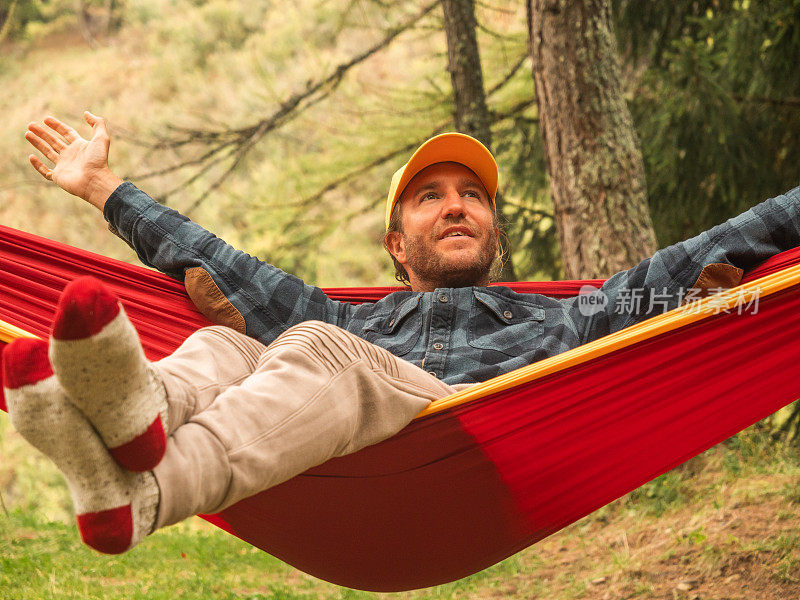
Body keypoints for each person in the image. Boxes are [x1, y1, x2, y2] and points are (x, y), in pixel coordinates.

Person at [4, 112, 799, 555]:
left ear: (492, 234)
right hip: (345, 448)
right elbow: (220, 264)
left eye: (472, 197)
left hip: (466, 461)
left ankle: (151, 490)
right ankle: (126, 431)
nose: (456, 205)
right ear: (396, 245)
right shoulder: (354, 319)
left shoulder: (573, 317)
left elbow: (699, 260)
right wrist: (105, 187)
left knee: (315, 347)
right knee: (228, 344)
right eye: (429, 197)